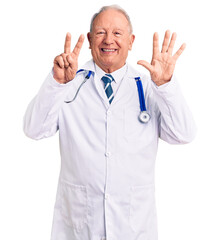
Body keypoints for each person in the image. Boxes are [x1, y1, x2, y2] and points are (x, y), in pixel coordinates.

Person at [23, 5, 196, 240]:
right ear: (91, 39)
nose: (109, 40)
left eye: (117, 33)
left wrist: (165, 85)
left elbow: (183, 134)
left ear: (131, 40)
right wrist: (56, 83)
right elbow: (34, 129)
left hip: (134, 229)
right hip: (79, 228)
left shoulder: (147, 86)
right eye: (101, 32)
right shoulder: (69, 82)